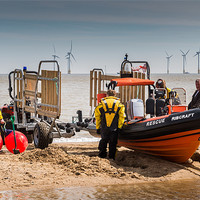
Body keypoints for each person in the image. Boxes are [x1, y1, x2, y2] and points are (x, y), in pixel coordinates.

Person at [94, 89, 125, 160]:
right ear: (115, 95)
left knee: (103, 140)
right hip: (114, 127)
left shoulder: (101, 104)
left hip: (104, 126)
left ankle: (102, 155)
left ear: (107, 95)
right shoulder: (119, 105)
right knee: (113, 143)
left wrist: (98, 127)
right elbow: (122, 117)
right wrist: (120, 127)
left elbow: (97, 117)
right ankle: (111, 157)